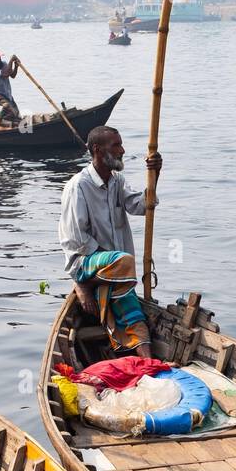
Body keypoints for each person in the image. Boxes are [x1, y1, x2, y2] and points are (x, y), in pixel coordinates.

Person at [58, 127, 163, 357]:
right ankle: (85, 284)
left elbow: (140, 205)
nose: (122, 150)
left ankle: (149, 363)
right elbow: (77, 239)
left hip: (116, 271)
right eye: (116, 145)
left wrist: (155, 175)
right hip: (85, 262)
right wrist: (108, 263)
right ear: (97, 150)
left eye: (121, 144)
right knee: (124, 261)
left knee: (137, 321)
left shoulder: (117, 181)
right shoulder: (79, 186)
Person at [0, 49, 20, 126]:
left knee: (16, 115)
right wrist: (11, 61)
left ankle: (6, 120)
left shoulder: (4, 64)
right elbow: (5, 74)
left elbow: (12, 75)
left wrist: (16, 66)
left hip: (7, 93)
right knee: (6, 105)